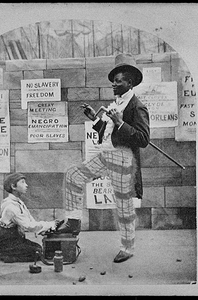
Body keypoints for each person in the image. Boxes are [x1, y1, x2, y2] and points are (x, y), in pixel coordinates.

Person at [56, 53, 150, 263]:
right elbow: (109, 132)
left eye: (118, 81)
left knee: (124, 206)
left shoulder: (137, 107)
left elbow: (143, 139)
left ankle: (127, 248)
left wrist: (121, 123)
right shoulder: (116, 103)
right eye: (113, 81)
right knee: (73, 175)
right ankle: (74, 221)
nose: (113, 85)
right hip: (107, 157)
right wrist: (95, 118)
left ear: (130, 82)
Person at [0, 172, 59, 263]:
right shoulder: (11, 207)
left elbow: (30, 220)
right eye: (23, 182)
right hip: (7, 244)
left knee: (38, 248)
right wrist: (49, 224)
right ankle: (7, 256)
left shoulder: (18, 202)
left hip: (16, 239)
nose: (26, 185)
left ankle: (8, 254)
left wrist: (44, 228)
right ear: (13, 186)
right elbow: (28, 226)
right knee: (37, 252)